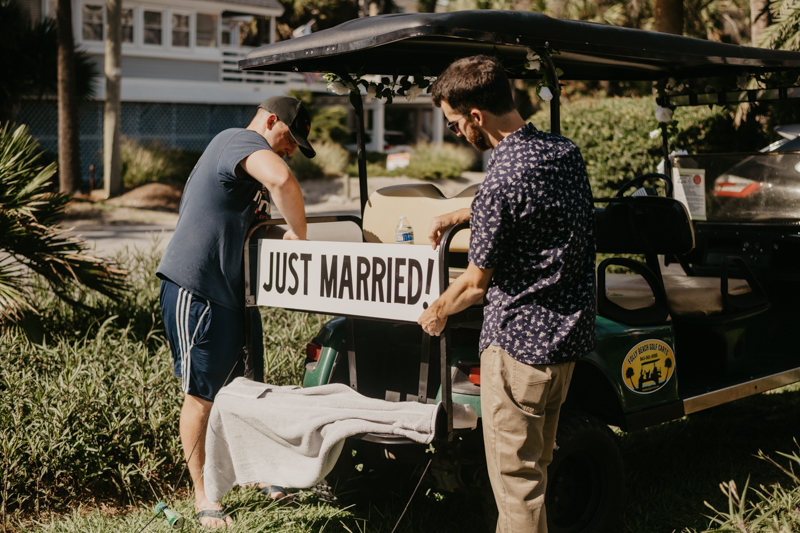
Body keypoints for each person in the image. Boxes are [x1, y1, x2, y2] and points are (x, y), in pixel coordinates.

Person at [417, 56, 596, 533]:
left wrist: (434, 312)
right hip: (564, 348)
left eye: (456, 122)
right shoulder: (563, 152)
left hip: (517, 352)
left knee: (516, 488)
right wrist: (460, 212)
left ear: (476, 115)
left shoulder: (500, 178)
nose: (456, 132)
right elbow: (526, 207)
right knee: (537, 472)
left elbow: (475, 285)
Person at [157, 96, 314, 528]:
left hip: (234, 293)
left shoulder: (247, 167)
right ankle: (203, 496)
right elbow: (283, 180)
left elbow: (256, 220)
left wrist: (289, 234)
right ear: (270, 120)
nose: (290, 150)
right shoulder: (237, 141)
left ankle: (258, 473)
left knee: (248, 387)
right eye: (289, 138)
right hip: (197, 287)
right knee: (201, 396)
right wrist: (302, 239)